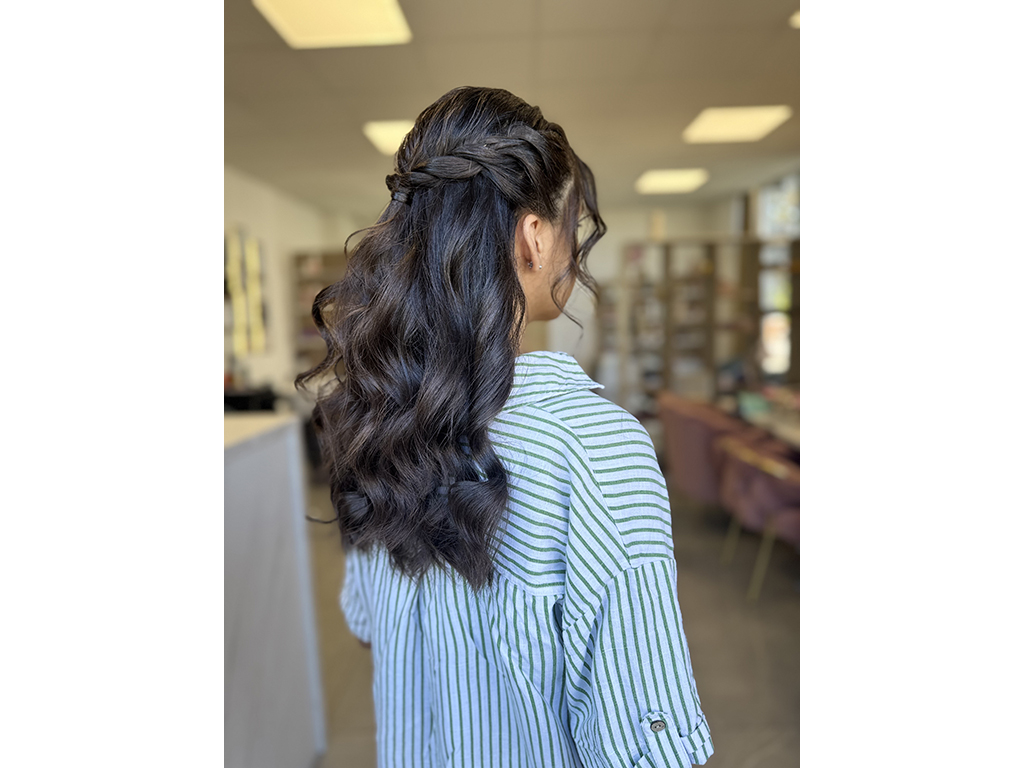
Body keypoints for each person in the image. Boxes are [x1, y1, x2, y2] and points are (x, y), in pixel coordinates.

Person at [296, 86, 714, 768]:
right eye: (571, 225)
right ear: (534, 237)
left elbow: (368, 623)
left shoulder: (369, 417)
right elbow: (648, 744)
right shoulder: (594, 448)